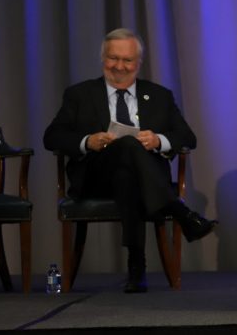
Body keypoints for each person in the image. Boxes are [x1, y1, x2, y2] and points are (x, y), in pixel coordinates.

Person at [44, 28, 216, 293]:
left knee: (128, 174)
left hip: (140, 183)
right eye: (113, 59)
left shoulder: (159, 95)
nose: (120, 67)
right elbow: (52, 137)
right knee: (126, 145)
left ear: (139, 63)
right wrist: (87, 141)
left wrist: (158, 140)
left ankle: (137, 269)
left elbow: (187, 137)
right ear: (103, 59)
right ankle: (182, 212)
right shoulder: (79, 94)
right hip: (95, 179)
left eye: (128, 60)